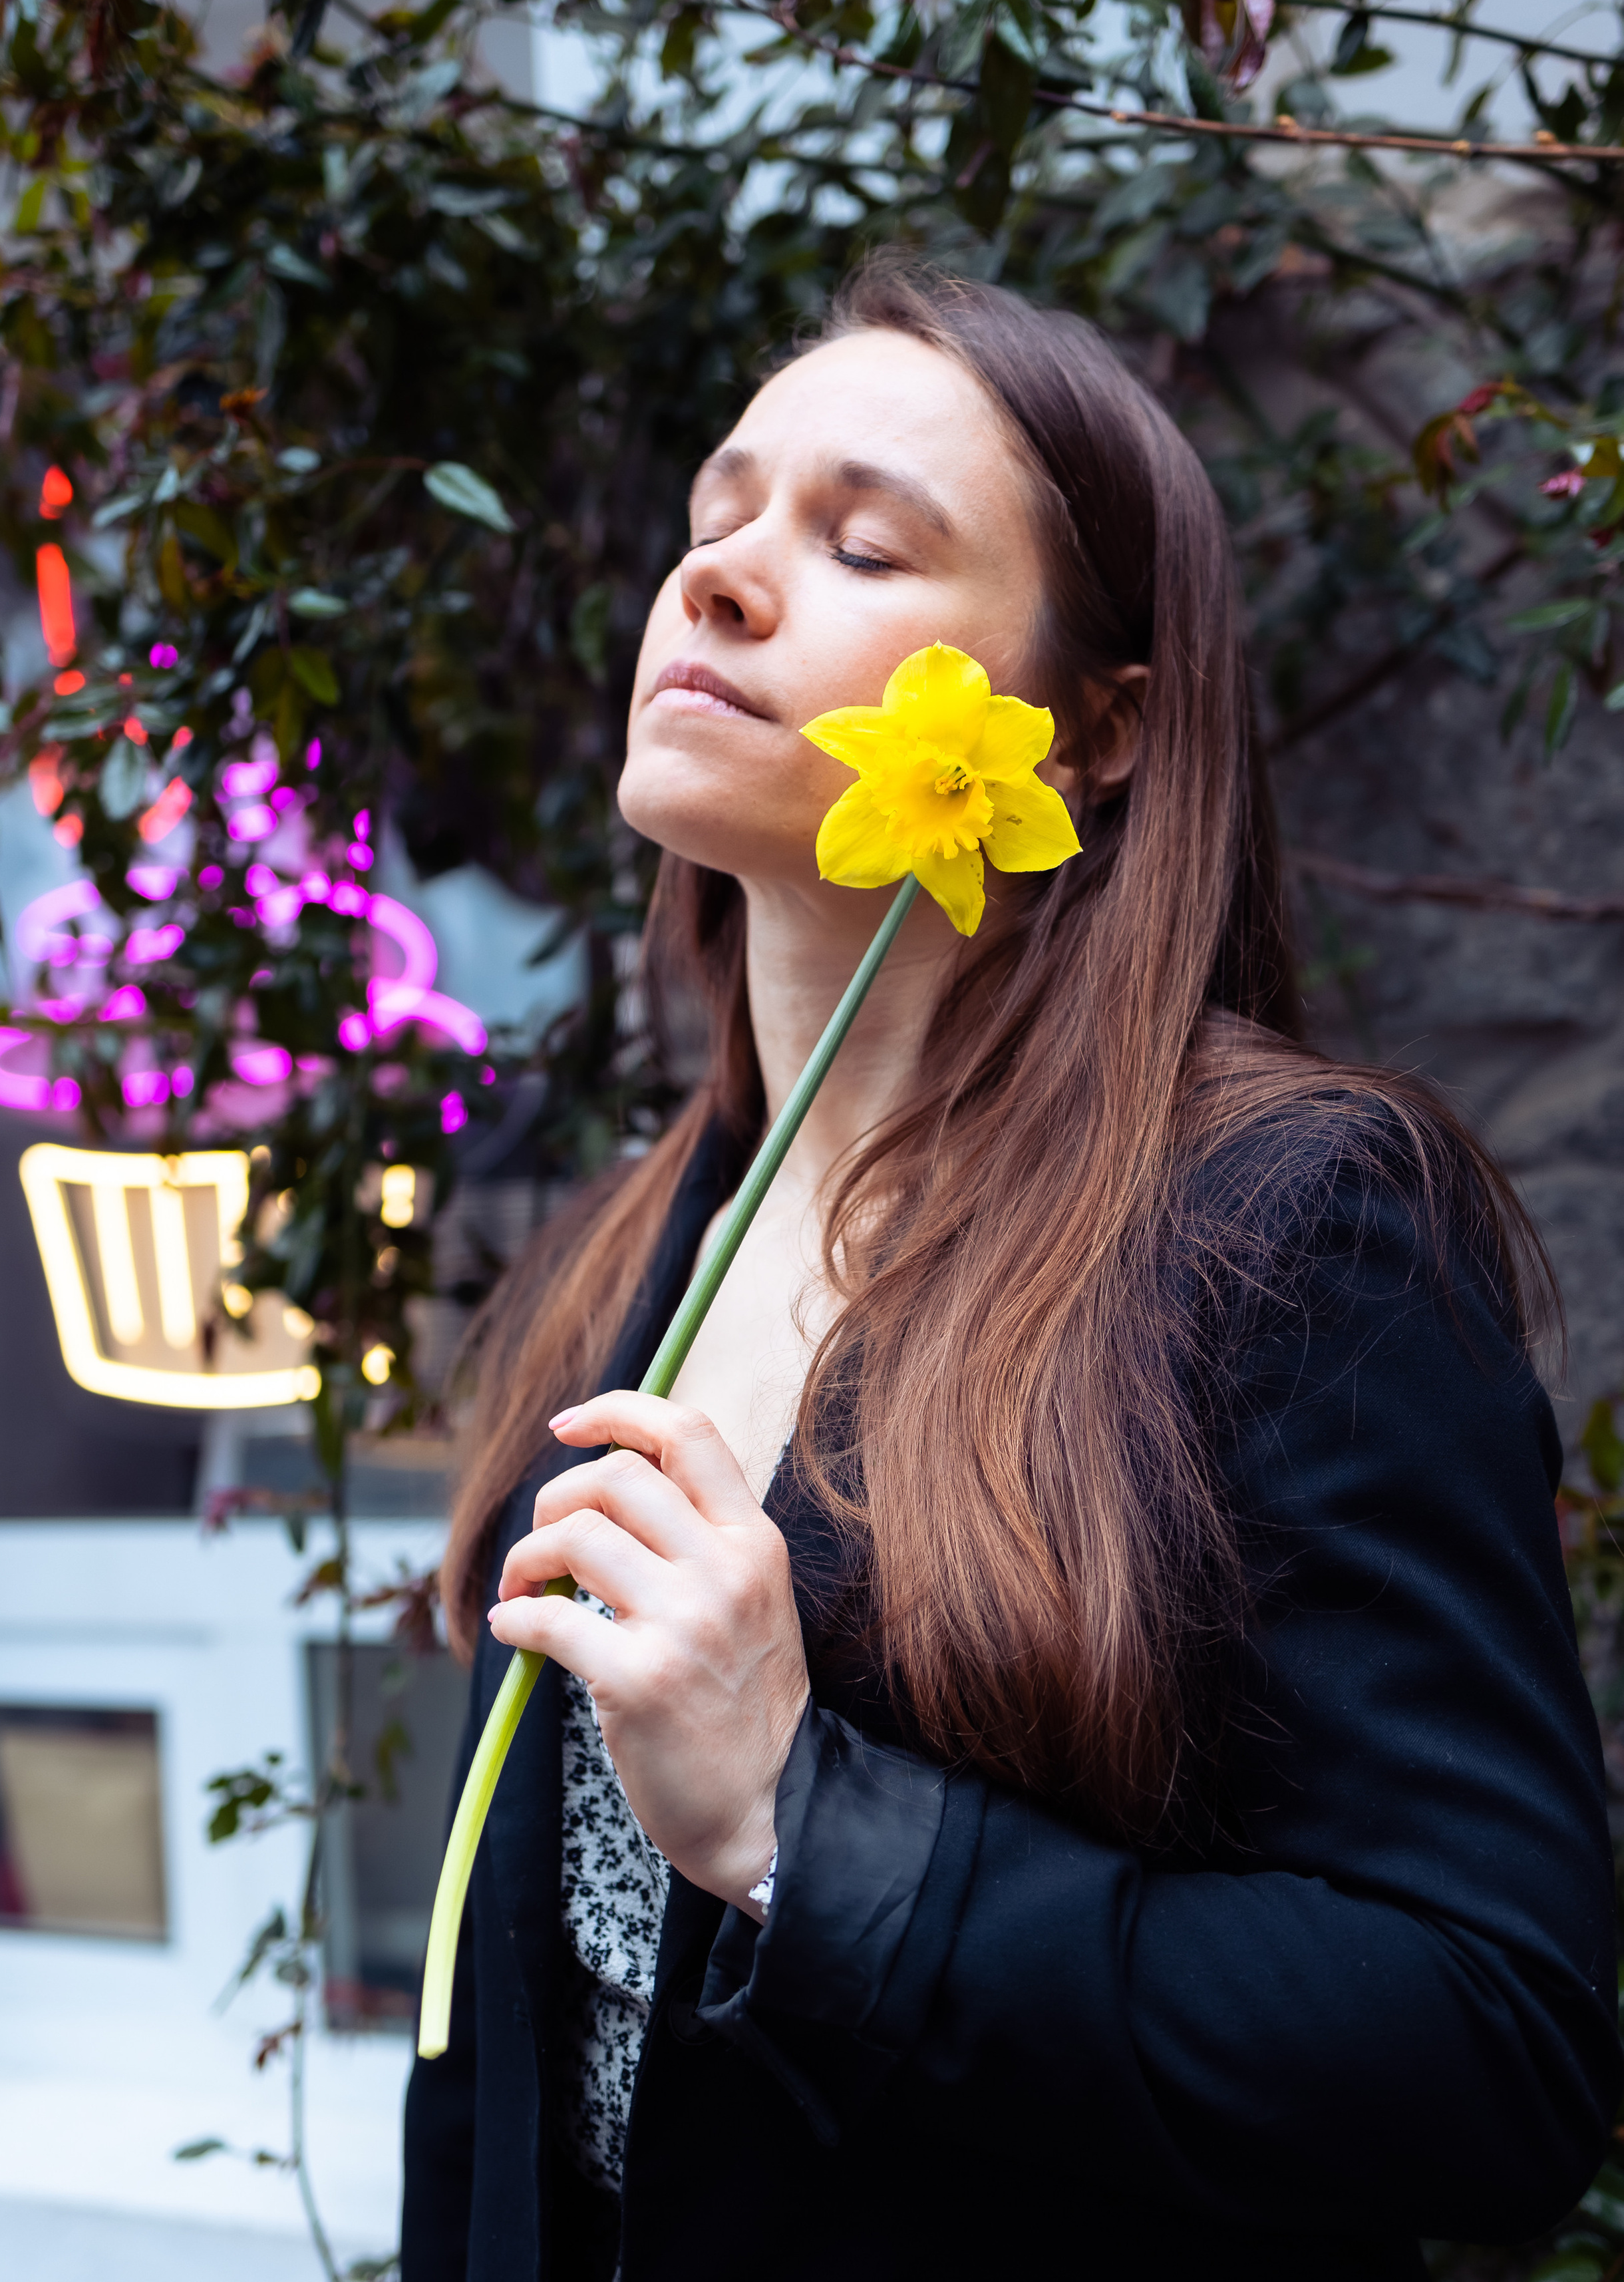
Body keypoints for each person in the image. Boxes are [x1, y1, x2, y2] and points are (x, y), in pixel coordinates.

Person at [401, 259, 1621, 2282]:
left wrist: (805, 1828)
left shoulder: (1286, 1228)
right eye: (717, 517)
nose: (717, 580)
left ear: (1096, 737)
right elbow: (527, 2077)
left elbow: (1490, 2050)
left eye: (863, 543)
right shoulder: (649, 1243)